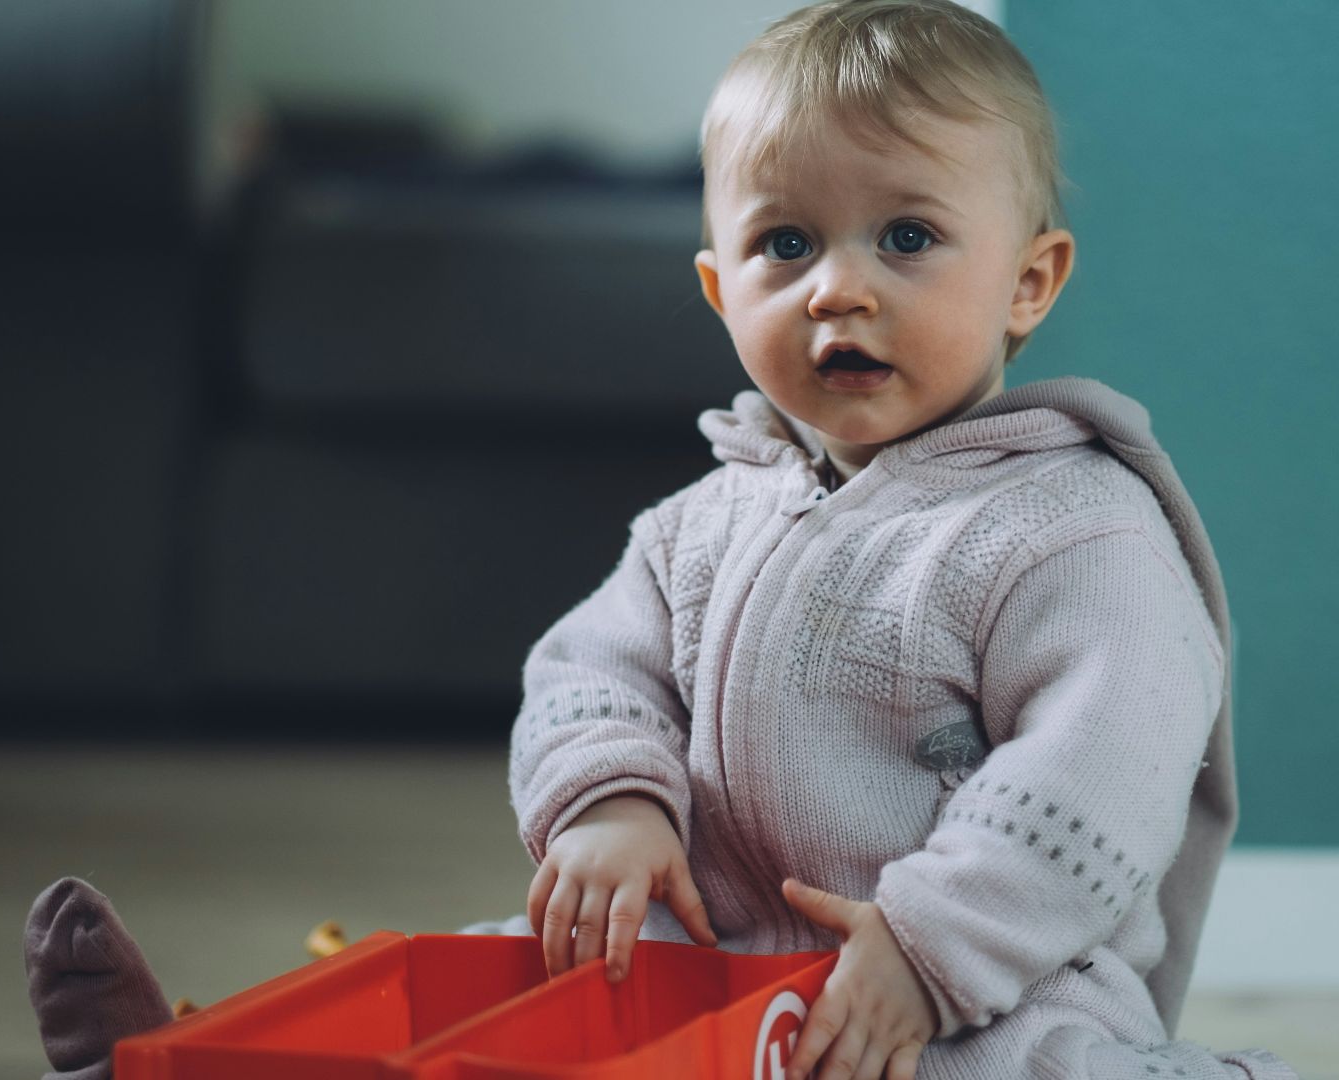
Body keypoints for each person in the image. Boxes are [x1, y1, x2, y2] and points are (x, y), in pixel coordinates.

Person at [511, 2, 1296, 1078]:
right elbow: (587, 672)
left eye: (908, 237)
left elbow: (1105, 764)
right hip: (711, 968)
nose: (837, 286)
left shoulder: (1072, 530)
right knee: (498, 983)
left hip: (981, 994)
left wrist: (931, 948)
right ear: (718, 290)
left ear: (1029, 282)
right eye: (783, 244)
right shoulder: (695, 526)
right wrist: (611, 801)